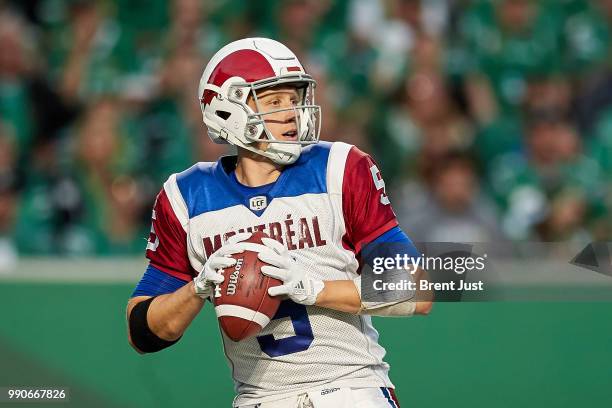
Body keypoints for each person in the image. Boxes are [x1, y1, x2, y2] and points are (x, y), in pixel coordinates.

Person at [126, 37, 432, 408]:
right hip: (258, 400)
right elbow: (142, 332)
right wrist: (197, 288)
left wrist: (314, 288)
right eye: (273, 101)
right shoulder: (187, 196)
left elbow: (418, 286)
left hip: (350, 389)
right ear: (227, 111)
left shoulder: (339, 167)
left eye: (294, 99)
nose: (290, 113)